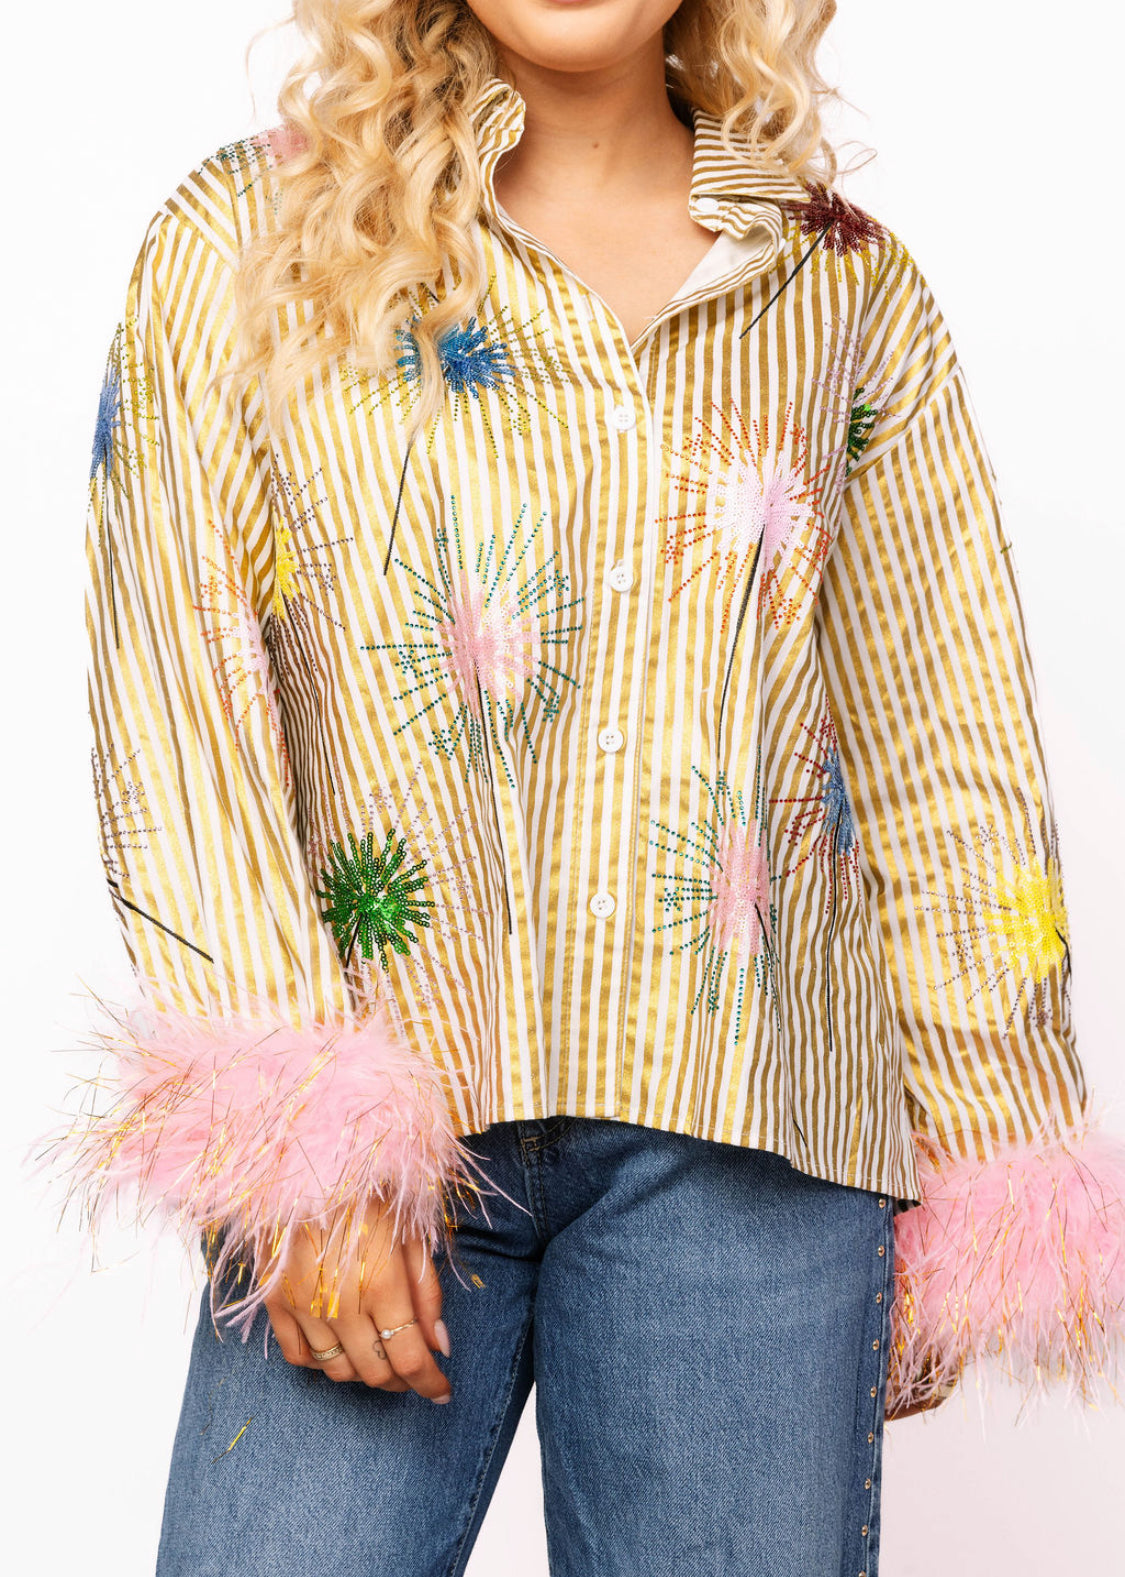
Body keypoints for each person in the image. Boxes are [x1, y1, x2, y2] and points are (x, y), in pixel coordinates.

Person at [54, 0, 1125, 1572]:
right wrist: (293, 1144)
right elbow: (176, 686)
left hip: (756, 1150)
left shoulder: (840, 285)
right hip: (387, 1140)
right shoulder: (248, 239)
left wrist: (985, 1145)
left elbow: (939, 738)